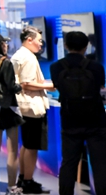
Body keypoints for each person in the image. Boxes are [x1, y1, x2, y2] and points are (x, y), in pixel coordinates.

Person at [49, 31, 106, 195]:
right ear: (86, 46)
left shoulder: (56, 67)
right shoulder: (96, 67)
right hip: (96, 122)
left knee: (68, 164)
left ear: (66, 45)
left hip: (70, 121)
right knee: (100, 164)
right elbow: (100, 88)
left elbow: (58, 86)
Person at [11, 26, 54, 194]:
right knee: (32, 146)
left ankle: (24, 178)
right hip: (32, 107)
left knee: (27, 144)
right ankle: (28, 181)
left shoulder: (20, 55)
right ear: (29, 40)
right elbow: (27, 84)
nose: (41, 44)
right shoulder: (28, 57)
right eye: (39, 41)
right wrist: (50, 85)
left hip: (25, 107)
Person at [0, 32, 23, 195]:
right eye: (3, 43)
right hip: (8, 109)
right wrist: (20, 86)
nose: (6, 45)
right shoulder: (6, 62)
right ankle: (12, 186)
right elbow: (11, 87)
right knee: (12, 151)